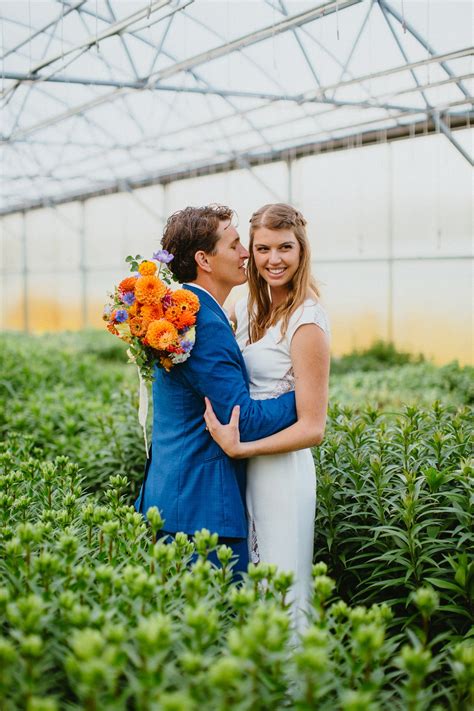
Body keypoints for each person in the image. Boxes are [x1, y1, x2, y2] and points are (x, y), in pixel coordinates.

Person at [135, 204, 299, 576]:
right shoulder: (202, 325)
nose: (246, 254)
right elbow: (244, 421)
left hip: (176, 498)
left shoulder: (188, 313)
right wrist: (302, 398)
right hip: (200, 512)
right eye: (235, 245)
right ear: (204, 260)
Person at [203, 203, 330, 629]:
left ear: (301, 250)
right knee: (253, 582)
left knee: (282, 583)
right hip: (245, 467)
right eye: (262, 248)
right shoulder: (246, 307)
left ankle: (294, 684)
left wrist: (244, 447)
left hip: (280, 469)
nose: (273, 259)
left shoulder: (307, 320)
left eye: (285, 248)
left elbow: (313, 427)